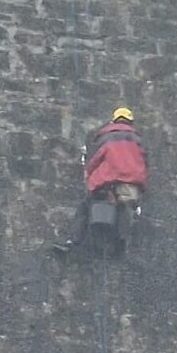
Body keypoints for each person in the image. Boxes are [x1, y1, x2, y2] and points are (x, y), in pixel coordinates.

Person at [56, 107, 149, 255]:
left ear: (114, 120)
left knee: (86, 208)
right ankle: (120, 245)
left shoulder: (107, 136)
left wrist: (88, 174)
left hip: (108, 181)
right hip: (131, 183)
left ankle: (73, 242)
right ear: (130, 122)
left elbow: (96, 159)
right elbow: (145, 161)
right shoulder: (138, 140)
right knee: (125, 209)